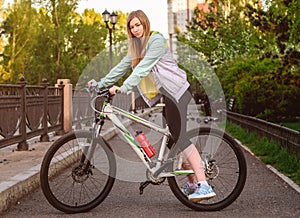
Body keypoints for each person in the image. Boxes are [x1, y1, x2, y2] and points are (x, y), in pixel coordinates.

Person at [89, 10, 215, 202]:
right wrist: (101, 84)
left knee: (180, 137)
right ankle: (192, 184)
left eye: (138, 25)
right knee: (174, 138)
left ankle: (204, 185)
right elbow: (121, 67)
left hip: (177, 92)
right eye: (132, 27)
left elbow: (144, 67)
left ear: (145, 24)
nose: (135, 30)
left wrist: (123, 88)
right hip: (167, 95)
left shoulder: (156, 40)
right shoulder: (135, 48)